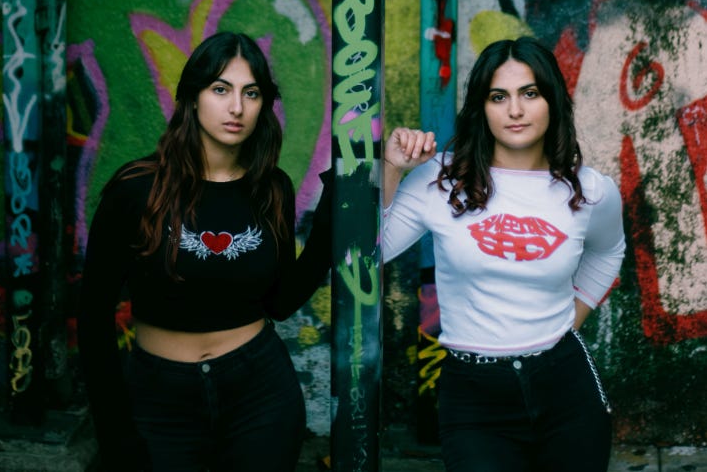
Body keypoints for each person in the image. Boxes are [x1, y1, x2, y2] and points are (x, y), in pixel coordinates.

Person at [77, 31, 330, 472]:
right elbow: (93, 316)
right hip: (159, 399)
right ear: (193, 97)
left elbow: (282, 303)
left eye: (251, 93)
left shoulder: (272, 189)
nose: (237, 108)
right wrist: (114, 430)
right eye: (220, 89)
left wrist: (332, 218)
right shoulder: (135, 189)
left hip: (260, 394)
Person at [383, 36, 625, 472]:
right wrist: (390, 169)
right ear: (482, 107)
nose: (515, 110)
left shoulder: (590, 190)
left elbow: (609, 252)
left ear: (551, 100)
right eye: (499, 97)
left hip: (565, 387)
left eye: (529, 93)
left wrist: (570, 319)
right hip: (474, 398)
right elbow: (367, 254)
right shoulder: (438, 180)